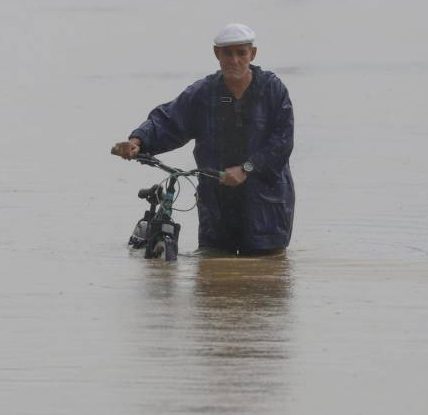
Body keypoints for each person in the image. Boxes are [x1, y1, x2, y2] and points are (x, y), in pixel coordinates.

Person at [112, 23, 294, 255]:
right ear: (217, 54)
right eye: (228, 53)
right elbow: (169, 120)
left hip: (266, 207)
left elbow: (282, 142)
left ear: (253, 54)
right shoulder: (203, 93)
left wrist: (246, 169)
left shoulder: (273, 90)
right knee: (212, 273)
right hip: (216, 205)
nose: (234, 60)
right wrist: (138, 141)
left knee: (265, 277)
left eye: (241, 53)